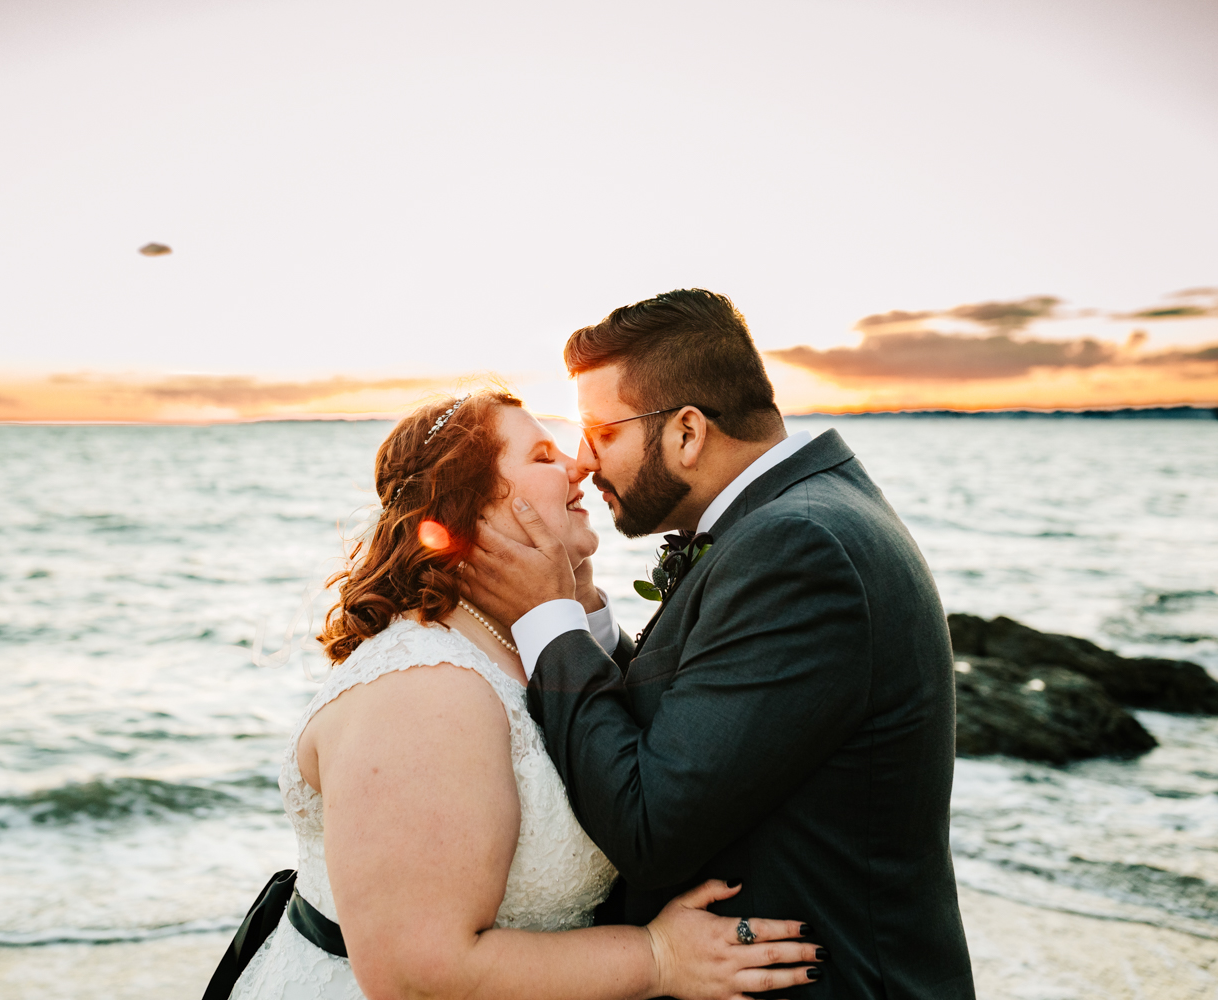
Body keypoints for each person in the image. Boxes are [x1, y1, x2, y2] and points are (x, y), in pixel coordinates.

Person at [463, 290, 976, 999]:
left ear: (687, 432)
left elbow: (651, 824)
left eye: (602, 433)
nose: (584, 461)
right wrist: (584, 615)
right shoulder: (795, 519)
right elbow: (695, 720)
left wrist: (546, 616)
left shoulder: (799, 546)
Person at [227, 389, 823, 1000]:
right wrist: (659, 957)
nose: (579, 466)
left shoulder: (520, 644)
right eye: (543, 456)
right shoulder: (424, 689)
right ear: (471, 509)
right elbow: (416, 974)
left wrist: (574, 603)